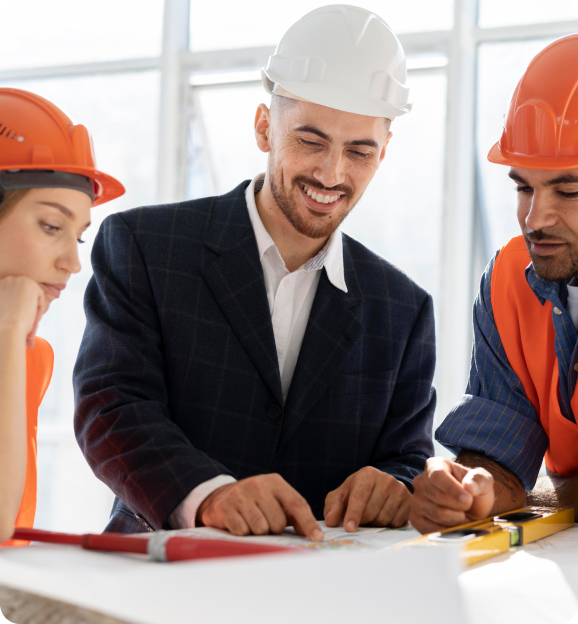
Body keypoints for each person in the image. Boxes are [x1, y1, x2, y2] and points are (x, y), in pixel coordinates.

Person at [74, 5, 436, 540]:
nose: (331, 174)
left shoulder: (403, 308)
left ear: (383, 153)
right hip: (157, 579)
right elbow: (111, 405)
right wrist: (210, 494)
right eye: (310, 141)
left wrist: (393, 482)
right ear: (265, 127)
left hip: (313, 598)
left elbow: (406, 456)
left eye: (358, 150)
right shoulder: (146, 247)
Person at [410, 35, 578, 534]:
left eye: (567, 190)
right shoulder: (509, 282)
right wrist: (474, 487)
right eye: (523, 186)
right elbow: (503, 451)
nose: (534, 217)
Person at [0, 88, 124, 546]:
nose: (73, 265)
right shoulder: (12, 342)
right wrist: (9, 331)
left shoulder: (29, 355)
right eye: (52, 227)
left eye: (78, 237)